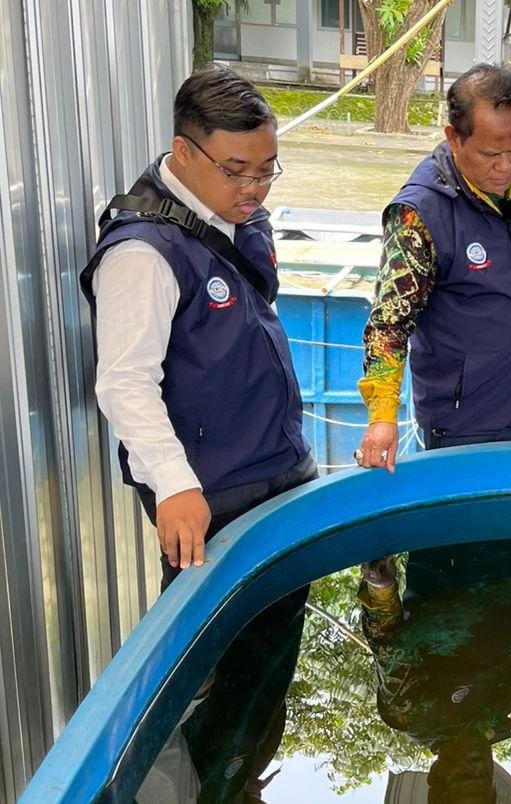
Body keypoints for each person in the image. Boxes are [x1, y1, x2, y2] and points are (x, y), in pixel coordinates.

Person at [80, 67, 315, 800]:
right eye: (237, 170)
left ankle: (244, 780)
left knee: (269, 657)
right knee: (212, 669)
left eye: (268, 169)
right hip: (210, 496)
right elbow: (124, 382)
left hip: (277, 469)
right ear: (183, 153)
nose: (256, 188)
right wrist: (177, 487)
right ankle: (212, 788)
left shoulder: (234, 214)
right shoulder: (143, 252)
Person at [356, 64, 511, 465]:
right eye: (490, 154)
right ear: (454, 138)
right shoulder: (420, 214)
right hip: (469, 426)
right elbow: (389, 325)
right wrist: (382, 417)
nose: (506, 166)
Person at [358, 541, 511, 804]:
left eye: (467, 775)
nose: (478, 764)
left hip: (456, 551)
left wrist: (381, 589)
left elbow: (387, 641)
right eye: (484, 776)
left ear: (438, 773)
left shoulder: (412, 714)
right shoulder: (506, 704)